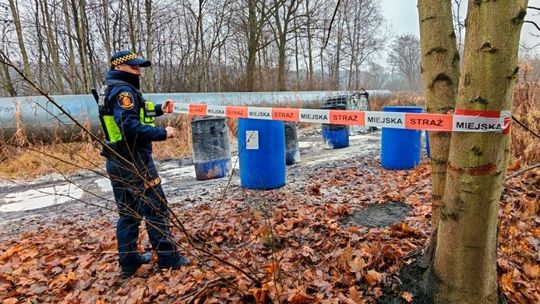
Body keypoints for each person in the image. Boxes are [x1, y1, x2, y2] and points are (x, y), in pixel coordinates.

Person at [99, 50, 188, 279]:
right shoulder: (123, 91)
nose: (138, 72)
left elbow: (136, 113)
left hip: (117, 160)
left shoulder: (113, 87)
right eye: (134, 67)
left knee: (129, 213)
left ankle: (129, 262)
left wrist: (159, 108)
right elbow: (129, 125)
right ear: (120, 68)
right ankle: (168, 259)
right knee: (156, 207)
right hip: (135, 161)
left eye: (139, 67)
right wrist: (162, 133)